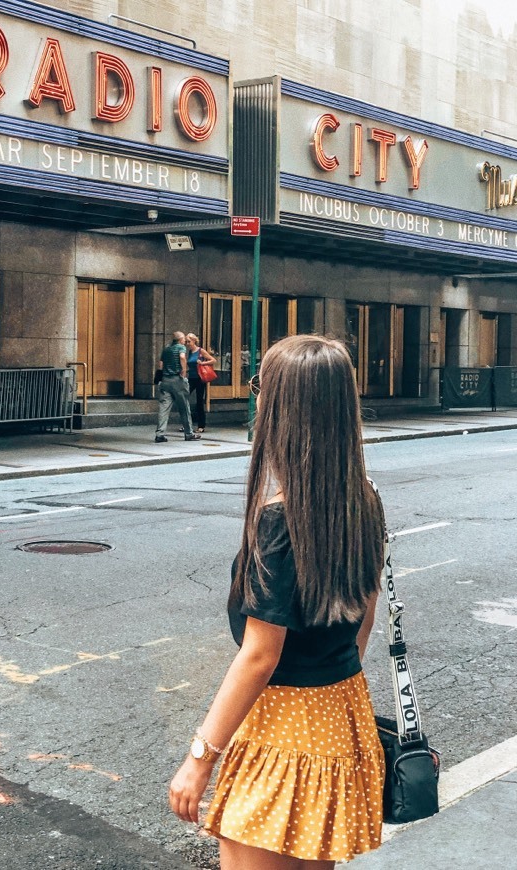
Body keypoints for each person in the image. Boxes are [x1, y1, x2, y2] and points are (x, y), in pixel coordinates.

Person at [169, 334, 386, 868]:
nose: (256, 397)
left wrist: (200, 758)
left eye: (260, 387)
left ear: (284, 407)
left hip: (285, 730)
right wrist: (333, 669)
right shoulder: (362, 498)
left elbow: (261, 654)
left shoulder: (280, 520)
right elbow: (366, 603)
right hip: (341, 713)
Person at [154, 331, 201, 443]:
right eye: (184, 339)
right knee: (184, 407)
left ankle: (160, 434)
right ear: (180, 340)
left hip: (165, 380)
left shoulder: (166, 349)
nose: (185, 341)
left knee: (164, 408)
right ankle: (189, 433)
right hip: (177, 380)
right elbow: (182, 357)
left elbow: (160, 365)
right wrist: (184, 371)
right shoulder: (181, 347)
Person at [185, 333, 216, 432]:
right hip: (191, 378)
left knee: (199, 401)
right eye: (186, 342)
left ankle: (201, 425)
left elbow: (213, 360)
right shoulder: (190, 352)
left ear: (194, 341)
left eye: (189, 341)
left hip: (200, 378)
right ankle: (187, 424)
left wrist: (203, 363)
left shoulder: (200, 351)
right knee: (184, 398)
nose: (187, 343)